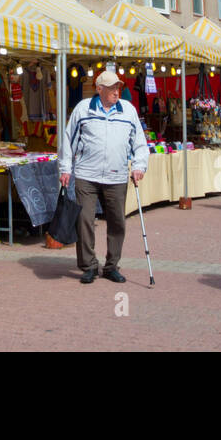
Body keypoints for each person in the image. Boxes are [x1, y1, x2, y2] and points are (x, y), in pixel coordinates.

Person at [58, 70, 149, 283]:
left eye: (118, 87)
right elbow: (68, 140)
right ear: (99, 90)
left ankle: (111, 266)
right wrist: (65, 168)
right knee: (84, 221)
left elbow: (139, 143)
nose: (116, 92)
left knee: (117, 222)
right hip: (86, 175)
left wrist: (139, 166)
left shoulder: (128, 111)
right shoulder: (83, 109)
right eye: (111, 88)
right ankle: (89, 265)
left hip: (116, 177)